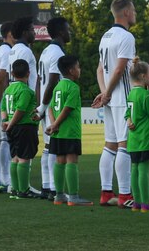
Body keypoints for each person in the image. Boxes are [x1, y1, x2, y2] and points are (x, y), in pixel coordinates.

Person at [93, 0, 136, 208]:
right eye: (134, 10)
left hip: (110, 100)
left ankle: (106, 191)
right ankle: (125, 195)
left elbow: (100, 70)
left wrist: (103, 94)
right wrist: (108, 93)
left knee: (110, 145)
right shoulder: (126, 37)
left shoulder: (105, 36)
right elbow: (119, 70)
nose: (135, 14)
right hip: (122, 98)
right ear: (126, 12)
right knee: (124, 145)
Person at [46, 55, 92, 206]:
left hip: (58, 132)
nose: (80, 70)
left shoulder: (58, 86)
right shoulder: (73, 87)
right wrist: (56, 124)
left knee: (60, 161)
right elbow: (67, 109)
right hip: (70, 130)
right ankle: (73, 196)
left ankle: (59, 196)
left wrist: (53, 125)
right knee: (72, 160)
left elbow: (51, 108)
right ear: (72, 70)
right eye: (78, 67)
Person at [35, 17, 71, 200]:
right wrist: (43, 106)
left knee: (48, 146)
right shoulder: (56, 52)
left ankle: (46, 186)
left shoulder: (46, 51)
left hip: (45, 103)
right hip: (51, 105)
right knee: (53, 146)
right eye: (67, 29)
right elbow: (52, 81)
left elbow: (39, 81)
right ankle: (52, 188)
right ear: (60, 32)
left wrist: (39, 104)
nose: (70, 32)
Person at [124, 57, 149, 212]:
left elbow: (127, 113)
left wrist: (128, 120)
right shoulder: (145, 95)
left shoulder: (131, 94)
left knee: (134, 169)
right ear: (142, 77)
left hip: (133, 140)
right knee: (143, 171)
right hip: (145, 138)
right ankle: (146, 203)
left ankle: (136, 202)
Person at [2, 59, 39, 199]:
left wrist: (6, 121)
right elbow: (21, 110)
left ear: (12, 73)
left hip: (12, 127)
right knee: (24, 157)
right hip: (24, 127)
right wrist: (11, 123)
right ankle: (23, 190)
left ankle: (16, 189)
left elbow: (4, 108)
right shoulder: (26, 91)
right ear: (28, 73)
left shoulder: (8, 89)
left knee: (15, 157)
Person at [0, 22, 14, 191]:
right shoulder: (7, 51)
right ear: (11, 34)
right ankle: (5, 177)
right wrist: (0, 101)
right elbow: (2, 77)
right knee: (4, 140)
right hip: (2, 100)